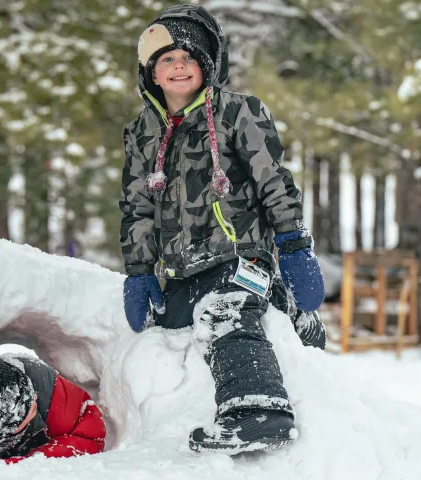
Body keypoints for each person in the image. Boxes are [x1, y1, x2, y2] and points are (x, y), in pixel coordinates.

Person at [120, 4, 325, 454]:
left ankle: (260, 412)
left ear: (207, 66)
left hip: (239, 258)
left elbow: (273, 179)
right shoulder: (141, 134)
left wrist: (292, 243)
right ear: (151, 73)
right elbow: (136, 207)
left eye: (189, 58)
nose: (178, 67)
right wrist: (138, 272)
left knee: (223, 314)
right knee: (166, 337)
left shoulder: (237, 113)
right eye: (167, 59)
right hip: (178, 272)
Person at [0, 354, 106, 462]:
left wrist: (30, 461)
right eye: (27, 409)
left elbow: (90, 433)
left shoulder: (42, 386)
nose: (33, 397)